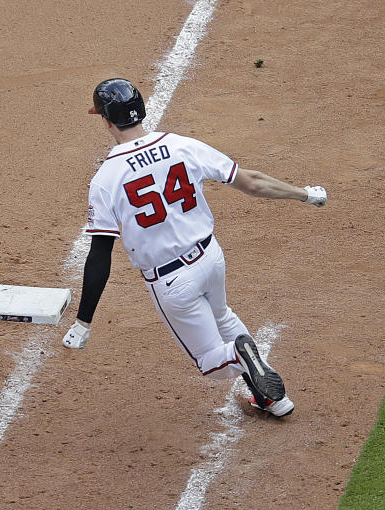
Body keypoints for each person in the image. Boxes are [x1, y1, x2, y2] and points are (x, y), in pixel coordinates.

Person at [62, 78, 327, 417]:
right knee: (222, 316)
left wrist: (83, 322)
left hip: (172, 282)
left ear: (106, 121)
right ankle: (269, 398)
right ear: (141, 111)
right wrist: (305, 193)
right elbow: (253, 182)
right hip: (211, 258)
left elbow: (99, 255)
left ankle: (240, 355)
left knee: (212, 363)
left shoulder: (106, 178)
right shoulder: (181, 145)